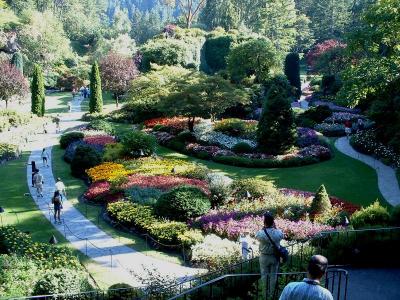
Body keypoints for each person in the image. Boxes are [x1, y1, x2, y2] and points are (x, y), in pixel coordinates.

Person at [256, 212, 284, 297]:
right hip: (274, 257)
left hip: (264, 256)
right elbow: (282, 235)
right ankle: (271, 295)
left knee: (264, 276)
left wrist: (263, 228)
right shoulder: (278, 233)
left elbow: (256, 236)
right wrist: (275, 227)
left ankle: (265, 295)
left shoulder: (260, 233)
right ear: (273, 222)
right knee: (273, 276)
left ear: (264, 222)